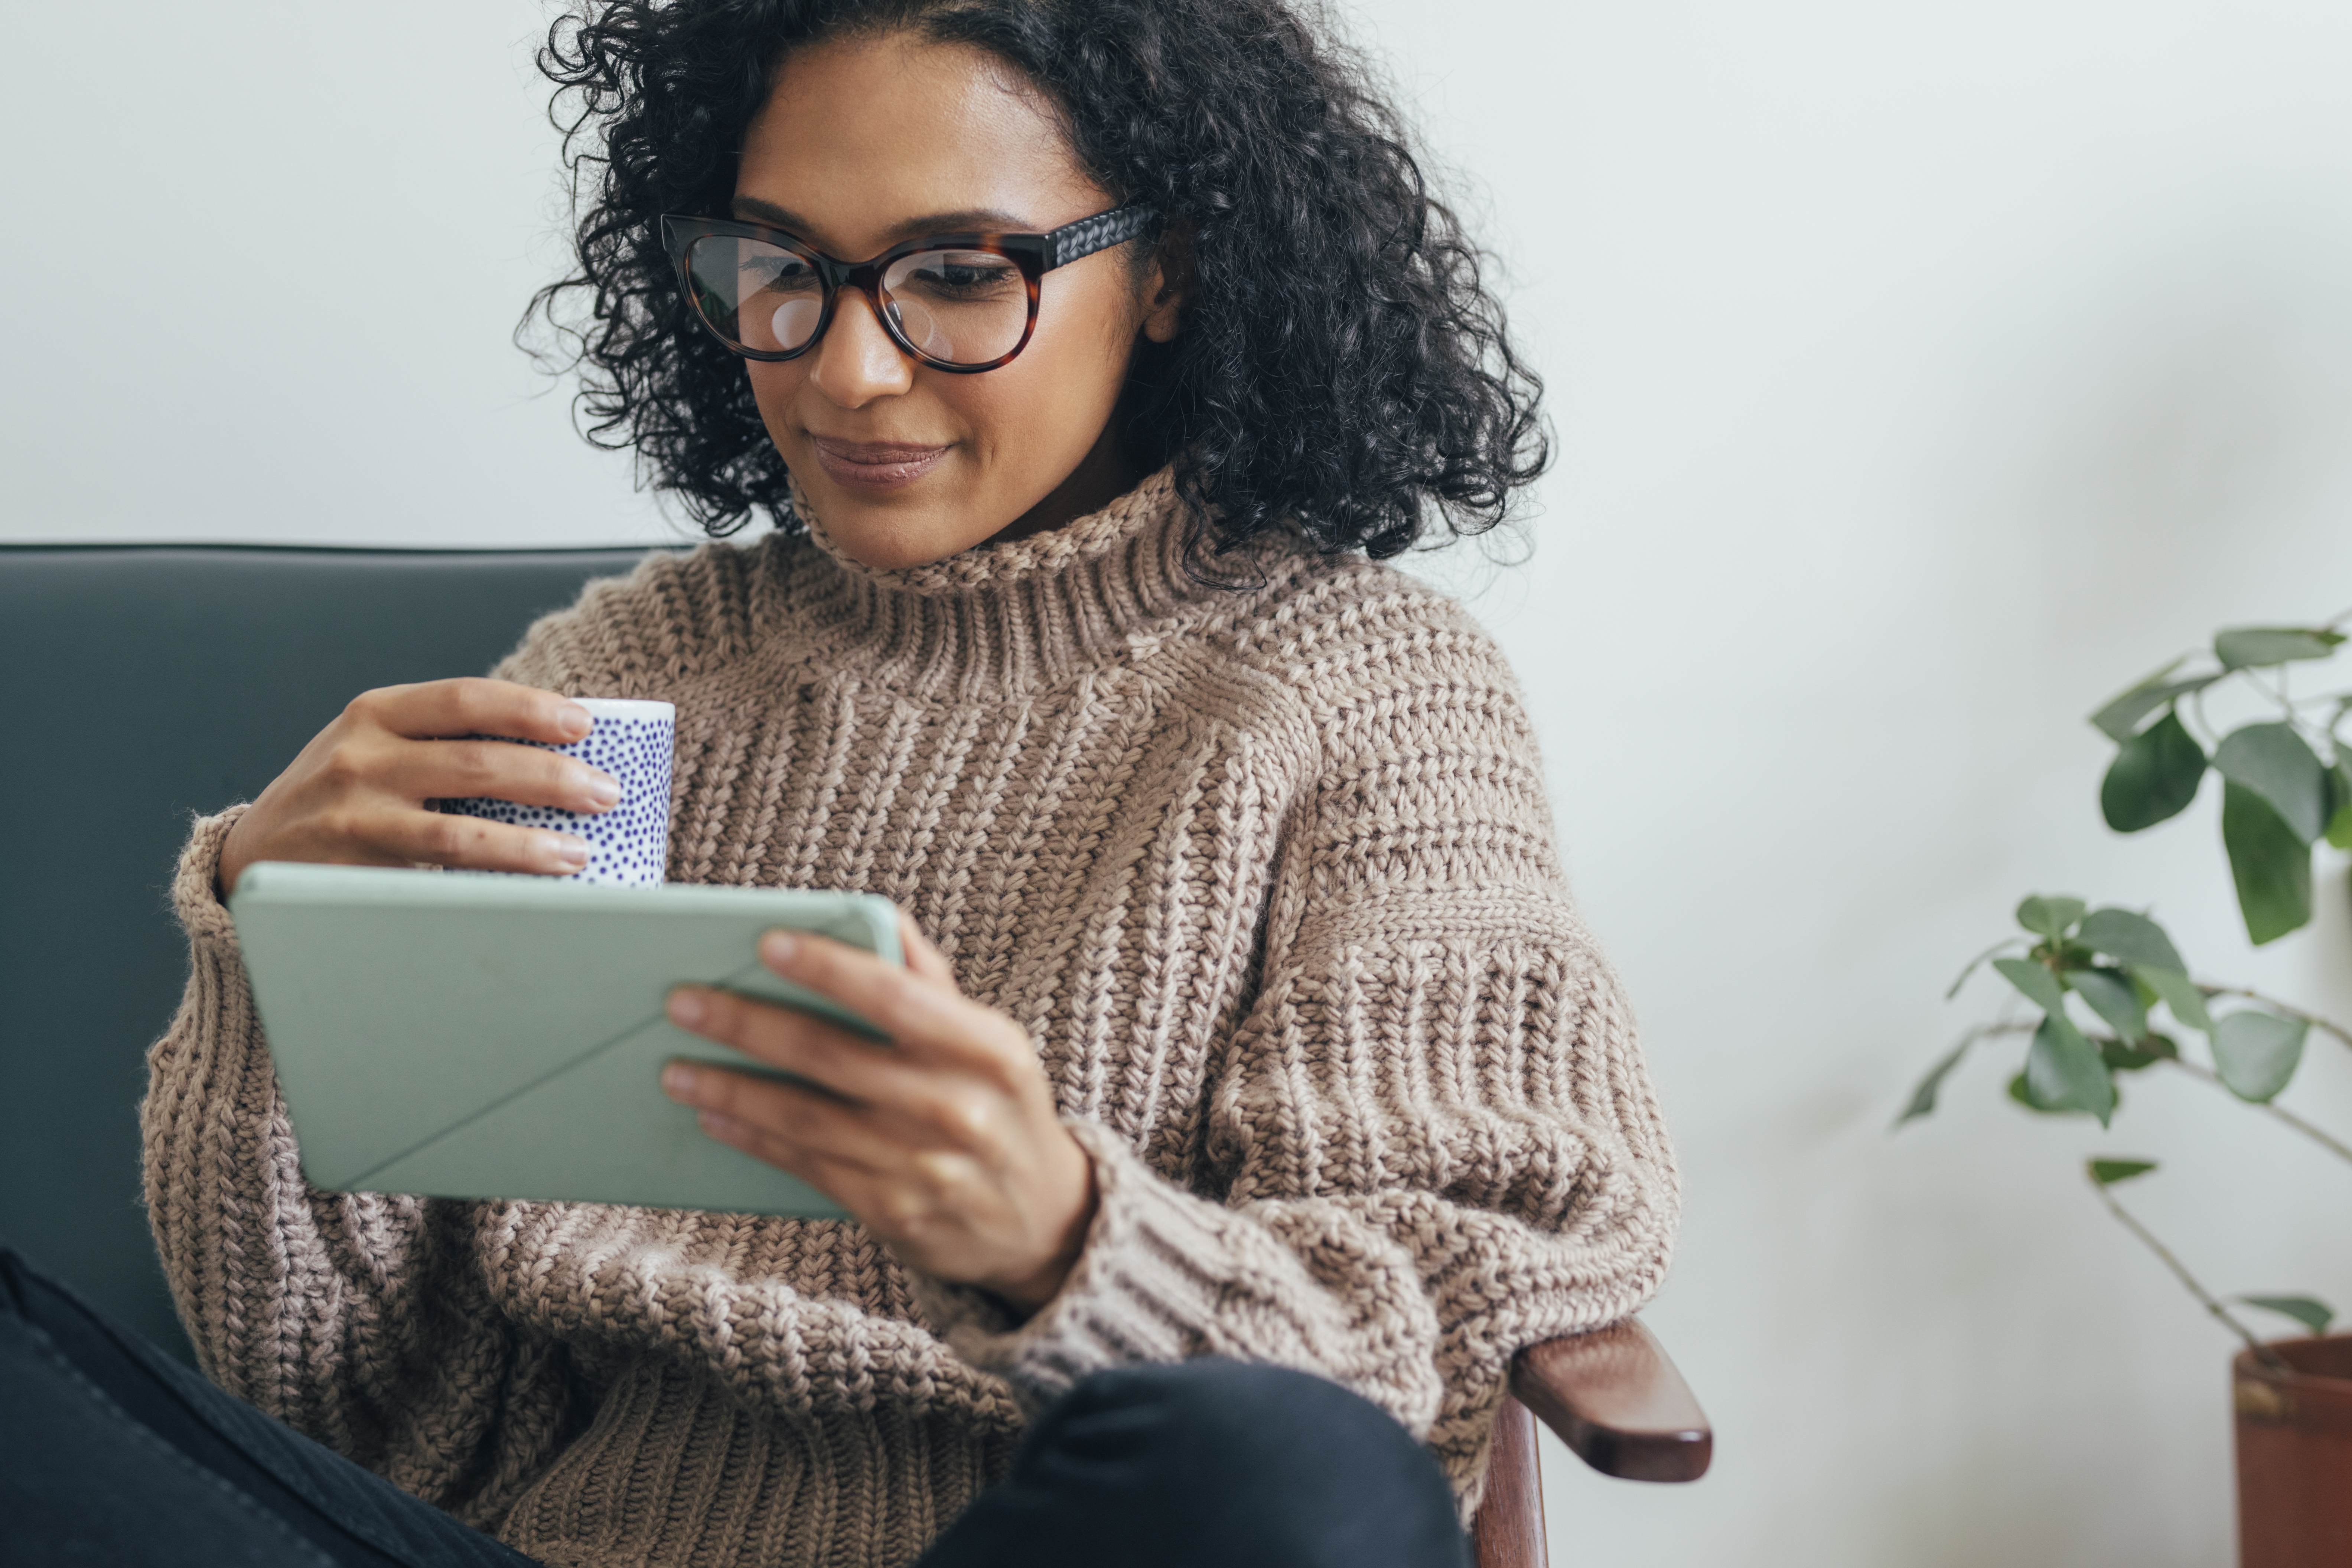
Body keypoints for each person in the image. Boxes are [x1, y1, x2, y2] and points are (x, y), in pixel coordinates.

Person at [1, 1, 1679, 1564]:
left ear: (1167, 271)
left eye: (956, 273)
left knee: (1287, 1467)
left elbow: (1407, 1366)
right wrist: (276, 958)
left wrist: (1061, 1237)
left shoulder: (1360, 693)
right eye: (778, 266)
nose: (844, 371)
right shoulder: (623, 672)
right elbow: (347, 1403)